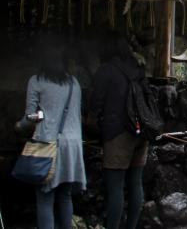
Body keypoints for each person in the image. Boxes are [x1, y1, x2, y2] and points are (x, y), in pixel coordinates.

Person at [23, 41, 86, 229]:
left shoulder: (37, 81)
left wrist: (23, 123)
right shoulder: (74, 83)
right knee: (65, 196)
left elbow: (31, 117)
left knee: (44, 197)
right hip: (72, 147)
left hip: (49, 145)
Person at [91, 33, 148, 229]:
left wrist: (97, 123)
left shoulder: (106, 71)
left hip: (117, 133)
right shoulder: (138, 68)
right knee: (135, 182)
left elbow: (96, 104)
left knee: (115, 186)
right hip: (141, 132)